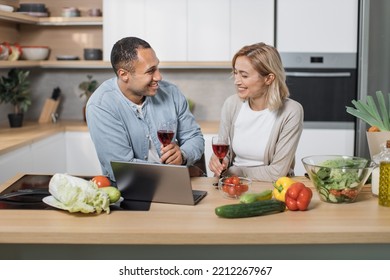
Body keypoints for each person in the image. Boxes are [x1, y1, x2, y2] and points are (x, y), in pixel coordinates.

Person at [86, 37, 205, 181]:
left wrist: (183, 155)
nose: (159, 77)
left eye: (157, 67)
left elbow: (194, 137)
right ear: (124, 75)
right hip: (131, 189)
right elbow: (122, 167)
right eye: (150, 71)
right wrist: (175, 171)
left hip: (176, 183)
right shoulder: (101, 106)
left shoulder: (171, 93)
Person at [208, 42, 304, 182]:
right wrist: (218, 160)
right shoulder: (231, 104)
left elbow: (277, 172)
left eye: (244, 75)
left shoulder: (291, 111)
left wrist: (235, 171)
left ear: (269, 78)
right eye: (235, 73)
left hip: (271, 188)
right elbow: (223, 151)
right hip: (232, 185)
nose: (236, 81)